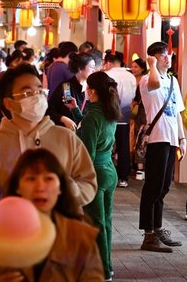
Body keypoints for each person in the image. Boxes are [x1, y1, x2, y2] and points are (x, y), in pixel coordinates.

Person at [0, 64, 97, 268]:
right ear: (9, 103)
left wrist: (66, 188)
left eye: (39, 90)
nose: (36, 96)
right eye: (28, 92)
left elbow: (89, 184)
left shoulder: (65, 138)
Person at [0, 148, 104, 281]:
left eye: (48, 179)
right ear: (18, 187)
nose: (40, 187)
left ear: (60, 188)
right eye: (31, 179)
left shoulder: (80, 237)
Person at [137, 42, 185, 253]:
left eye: (168, 54)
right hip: (157, 138)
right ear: (154, 58)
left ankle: (158, 228)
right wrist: (151, 64)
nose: (168, 57)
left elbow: (177, 112)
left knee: (164, 187)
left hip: (171, 138)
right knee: (153, 186)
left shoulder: (173, 81)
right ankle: (148, 235)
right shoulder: (148, 79)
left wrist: (182, 139)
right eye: (162, 55)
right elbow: (155, 84)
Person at [77, 71, 121, 279]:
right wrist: (77, 113)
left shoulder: (92, 117)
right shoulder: (109, 111)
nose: (85, 91)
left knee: (96, 224)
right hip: (109, 171)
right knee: (107, 222)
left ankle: (102, 270)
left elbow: (87, 154)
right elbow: (95, 128)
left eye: (87, 88)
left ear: (92, 92)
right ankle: (107, 265)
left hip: (94, 174)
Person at [103, 50, 137, 188]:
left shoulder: (107, 75)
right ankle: (123, 178)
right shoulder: (131, 76)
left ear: (109, 62)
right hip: (125, 115)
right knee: (123, 147)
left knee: (107, 146)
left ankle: (107, 175)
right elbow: (133, 95)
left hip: (109, 115)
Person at [48, 52, 96, 131]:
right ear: (80, 69)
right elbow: (49, 110)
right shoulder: (66, 87)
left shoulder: (91, 87)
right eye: (91, 67)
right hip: (65, 132)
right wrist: (63, 118)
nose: (94, 70)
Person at [129, 57, 148, 180]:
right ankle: (139, 168)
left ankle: (140, 168)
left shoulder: (143, 81)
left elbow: (135, 99)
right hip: (139, 114)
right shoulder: (132, 79)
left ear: (143, 68)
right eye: (132, 66)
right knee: (138, 139)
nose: (133, 69)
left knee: (140, 139)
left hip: (142, 114)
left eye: (136, 67)